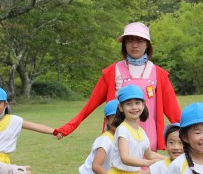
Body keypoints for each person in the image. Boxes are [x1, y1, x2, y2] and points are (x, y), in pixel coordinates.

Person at [53, 21, 182, 151]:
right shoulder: (112, 72)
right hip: (119, 140)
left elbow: (174, 113)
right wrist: (68, 128)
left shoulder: (158, 74)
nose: (135, 45)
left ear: (147, 44)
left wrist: (189, 135)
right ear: (124, 44)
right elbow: (89, 106)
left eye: (140, 41)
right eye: (130, 41)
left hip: (149, 140)